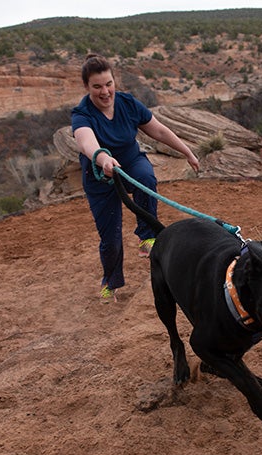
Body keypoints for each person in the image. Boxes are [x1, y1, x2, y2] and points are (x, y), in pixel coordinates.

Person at [71, 53, 200, 302]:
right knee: (111, 239)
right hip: (100, 175)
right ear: (86, 87)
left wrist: (187, 152)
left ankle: (146, 236)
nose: (105, 91)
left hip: (130, 162)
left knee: (146, 177)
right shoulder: (82, 114)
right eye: (97, 86)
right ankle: (111, 283)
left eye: (109, 84)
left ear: (114, 81)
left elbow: (159, 130)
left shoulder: (128, 104)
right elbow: (86, 142)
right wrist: (103, 158)